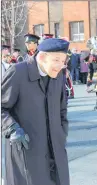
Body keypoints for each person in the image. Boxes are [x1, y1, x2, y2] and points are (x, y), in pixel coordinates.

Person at [1, 38, 70, 185]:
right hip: (27, 151)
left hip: (56, 151)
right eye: (56, 60)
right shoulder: (18, 72)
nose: (60, 65)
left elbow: (62, 110)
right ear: (42, 57)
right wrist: (12, 128)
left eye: (63, 61)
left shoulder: (58, 75)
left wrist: (61, 134)